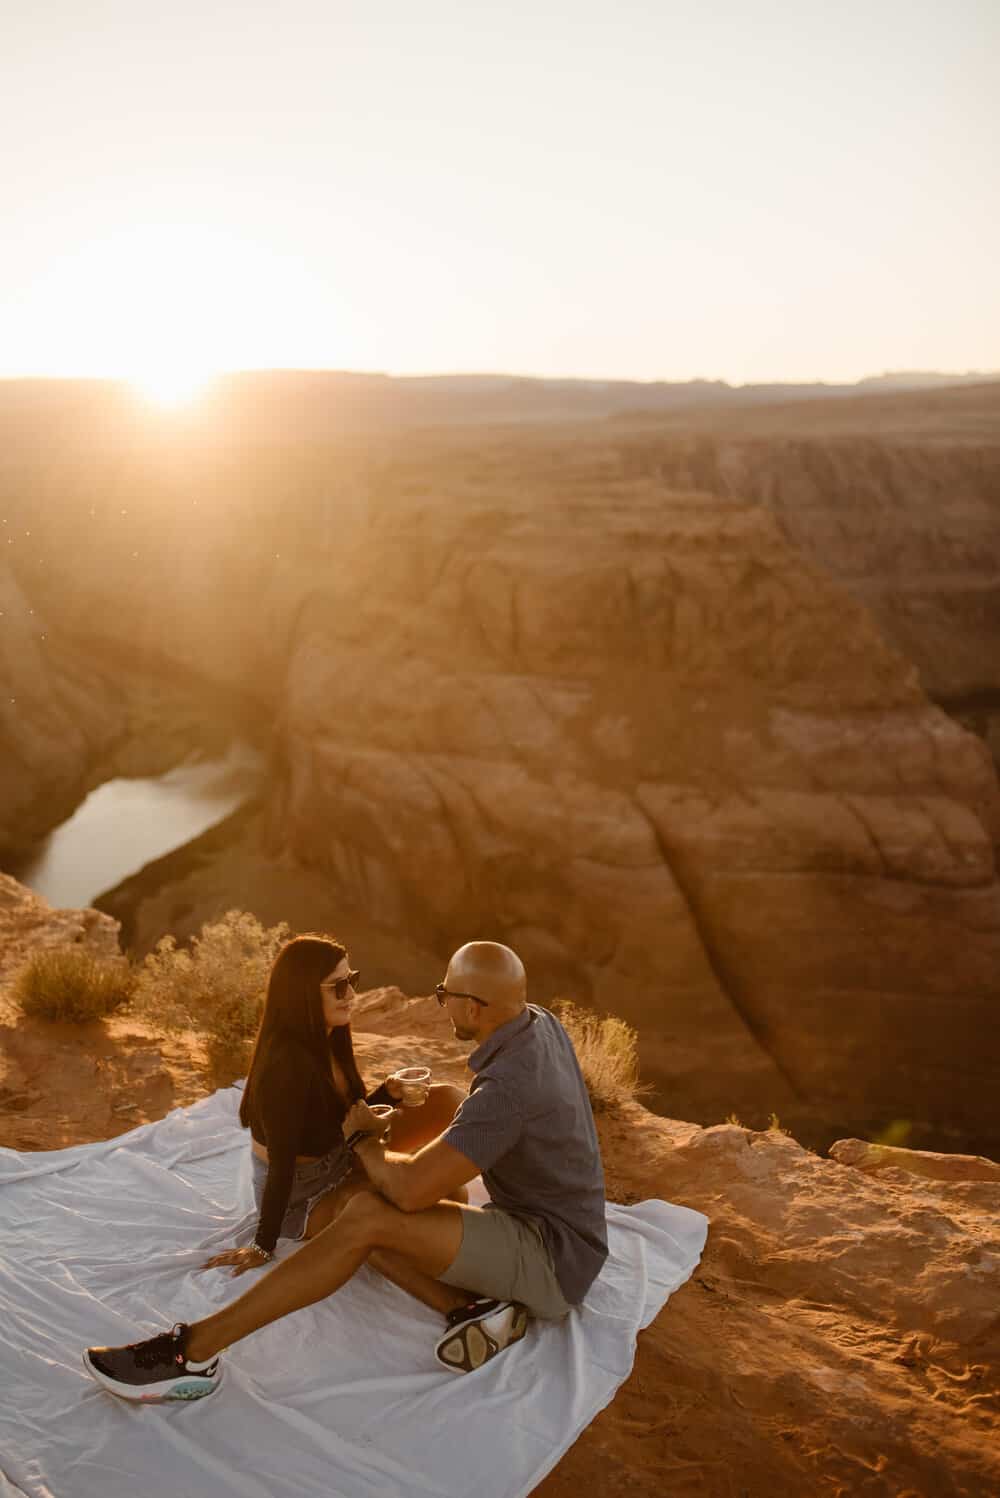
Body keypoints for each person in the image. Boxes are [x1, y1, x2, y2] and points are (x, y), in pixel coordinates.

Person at [83, 940, 609, 1400]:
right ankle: (479, 1305)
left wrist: (364, 1139)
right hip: (566, 1237)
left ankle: (189, 1355)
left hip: (550, 1259)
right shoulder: (537, 1023)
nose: (440, 1003)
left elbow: (407, 1190)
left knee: (366, 1215)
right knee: (399, 1184)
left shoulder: (508, 1091)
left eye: (446, 996)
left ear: (474, 1007)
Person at [205, 933, 463, 1274]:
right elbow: (282, 1165)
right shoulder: (286, 1066)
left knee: (446, 1100)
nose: (352, 995)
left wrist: (389, 1092)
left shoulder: (331, 1035)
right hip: (302, 1194)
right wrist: (262, 1245)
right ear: (304, 995)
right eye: (338, 987)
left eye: (352, 981)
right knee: (404, 1203)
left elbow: (339, 1119)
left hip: (340, 1154)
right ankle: (456, 1300)